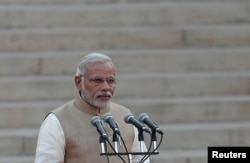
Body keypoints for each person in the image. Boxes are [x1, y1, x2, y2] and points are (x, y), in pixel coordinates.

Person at [35, 52, 150, 163]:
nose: (105, 87)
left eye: (110, 81)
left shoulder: (125, 116)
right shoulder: (58, 120)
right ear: (79, 82)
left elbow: (140, 159)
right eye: (97, 80)